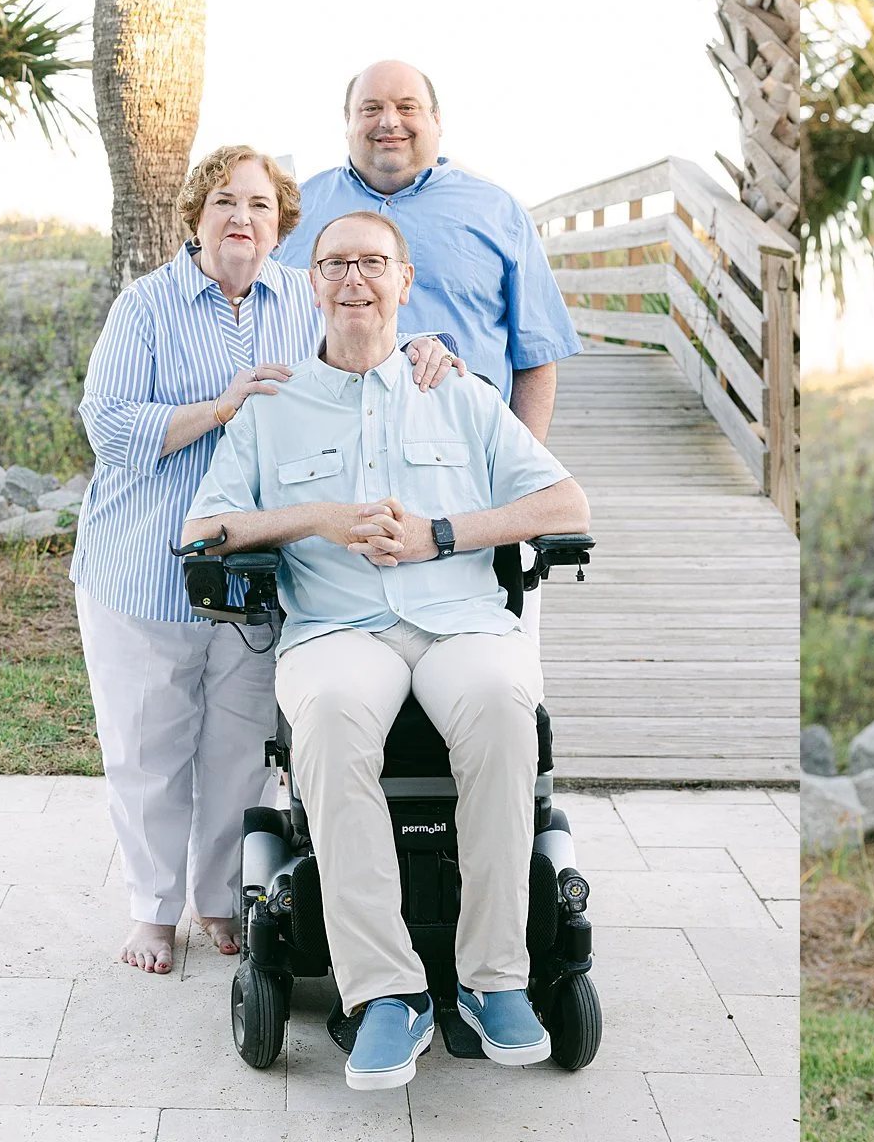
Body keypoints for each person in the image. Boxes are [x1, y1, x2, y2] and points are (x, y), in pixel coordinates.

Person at [182, 210, 591, 1092]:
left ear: (406, 281)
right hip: (337, 628)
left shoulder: (461, 392)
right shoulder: (275, 406)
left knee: (496, 700)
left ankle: (495, 980)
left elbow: (567, 507)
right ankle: (386, 996)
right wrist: (320, 518)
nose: (355, 279)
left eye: (373, 262)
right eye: (336, 264)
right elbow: (205, 525)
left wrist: (443, 534)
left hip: (462, 618)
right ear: (312, 282)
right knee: (326, 713)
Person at [73, 147, 462, 976]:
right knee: (149, 743)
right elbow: (106, 426)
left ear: (282, 224)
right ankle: (151, 907)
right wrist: (221, 407)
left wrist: (432, 353)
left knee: (240, 747)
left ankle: (219, 897)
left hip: (262, 578)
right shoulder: (145, 307)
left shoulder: (300, 297)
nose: (240, 217)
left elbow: (364, 349)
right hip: (145, 564)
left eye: (258, 204)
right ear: (195, 216)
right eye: (223, 201)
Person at [276, 60, 579, 441]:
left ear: (436, 119)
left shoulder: (500, 213)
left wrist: (521, 470)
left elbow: (535, 357)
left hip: (462, 449)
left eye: (407, 107)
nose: (389, 121)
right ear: (348, 120)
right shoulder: (293, 211)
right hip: (323, 445)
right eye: (371, 109)